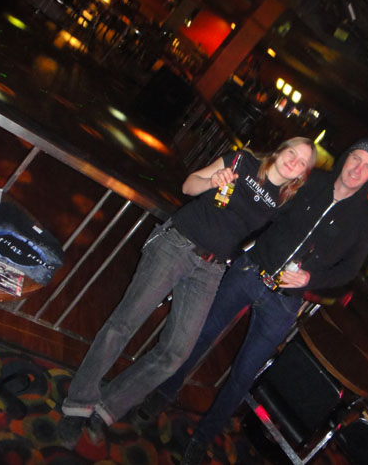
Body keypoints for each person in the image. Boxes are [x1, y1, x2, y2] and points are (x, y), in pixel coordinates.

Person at [57, 137, 316, 446]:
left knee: (176, 353)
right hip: (177, 245)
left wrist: (305, 277)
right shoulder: (241, 161)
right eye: (292, 153)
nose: (294, 162)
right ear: (279, 150)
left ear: (302, 174)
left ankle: (108, 407)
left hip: (211, 269)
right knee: (123, 324)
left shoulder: (284, 203)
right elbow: (188, 186)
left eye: (302, 163)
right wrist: (211, 182)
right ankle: (78, 404)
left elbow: (290, 240)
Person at [145, 138, 368, 465]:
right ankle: (163, 392)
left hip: (285, 302)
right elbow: (270, 200)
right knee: (201, 334)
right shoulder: (311, 180)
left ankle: (203, 437)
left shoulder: (366, 220)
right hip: (250, 270)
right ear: (345, 158)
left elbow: (350, 270)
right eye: (356, 158)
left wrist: (311, 279)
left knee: (244, 373)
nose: (358, 169)